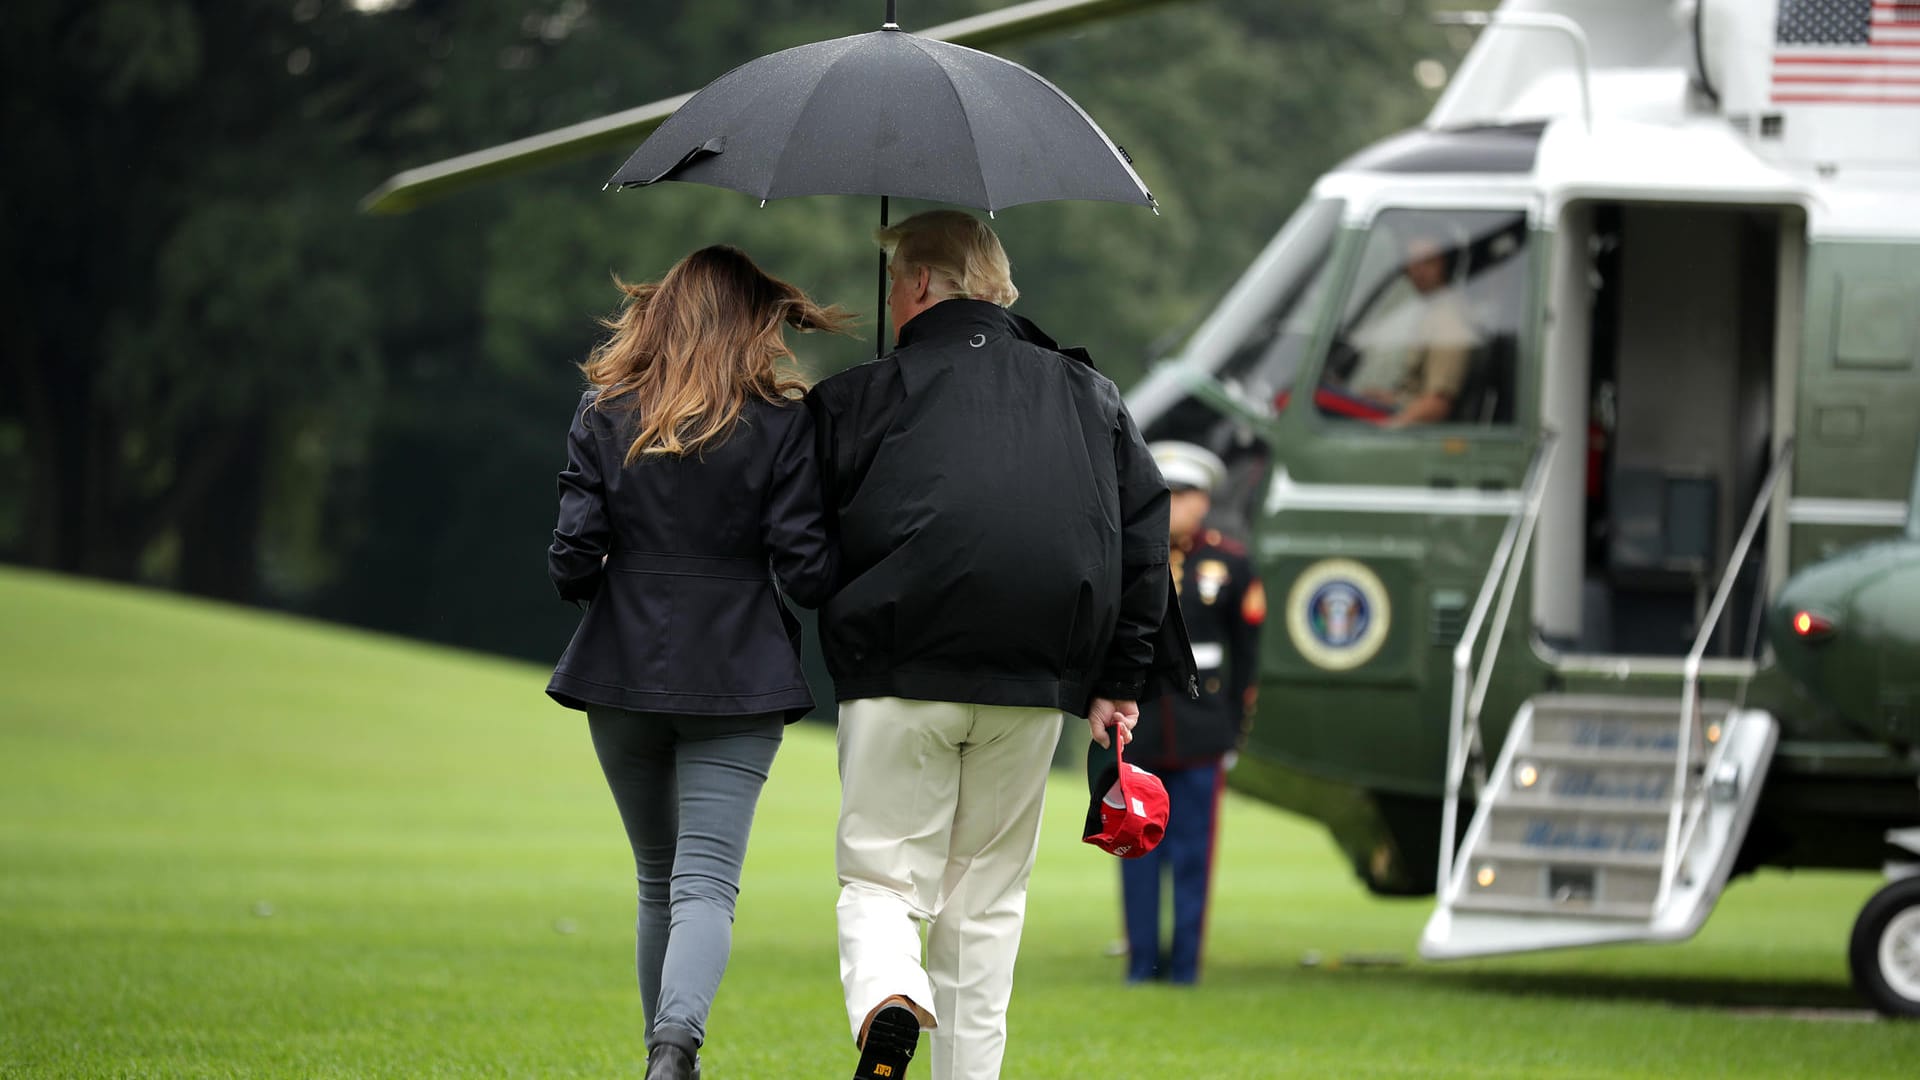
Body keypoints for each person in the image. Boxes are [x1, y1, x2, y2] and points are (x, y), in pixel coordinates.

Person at [806, 210, 1175, 1080]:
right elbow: (1144, 536)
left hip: (898, 672)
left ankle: (889, 994)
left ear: (924, 285)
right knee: (985, 906)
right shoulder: (1092, 395)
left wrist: (842, 603)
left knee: (881, 879)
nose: (893, 299)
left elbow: (802, 531)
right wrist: (1120, 678)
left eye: (897, 281)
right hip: (1034, 689)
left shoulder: (858, 396)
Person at [545, 245, 854, 1080]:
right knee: (706, 883)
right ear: (754, 324)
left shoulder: (603, 411)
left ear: (664, 312)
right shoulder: (786, 422)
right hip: (740, 676)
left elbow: (573, 559)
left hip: (620, 670)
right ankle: (674, 1048)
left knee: (657, 878)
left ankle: (665, 1059)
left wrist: (622, 596)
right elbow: (807, 574)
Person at [1119, 441, 1264, 985]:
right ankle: (1141, 964)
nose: (1181, 504)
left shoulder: (1229, 562)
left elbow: (1246, 657)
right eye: (1171, 492)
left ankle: (1184, 967)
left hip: (1202, 731)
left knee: (1193, 855)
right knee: (1137, 851)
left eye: (1191, 493)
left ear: (1206, 500)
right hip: (1141, 729)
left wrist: (1232, 730)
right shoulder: (1129, 558)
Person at [1344, 232, 1478, 427]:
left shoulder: (1449, 322)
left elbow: (1438, 404)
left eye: (1428, 262)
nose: (1417, 270)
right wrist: (1390, 399)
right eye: (1412, 262)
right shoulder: (1429, 311)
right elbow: (1418, 392)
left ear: (1446, 265)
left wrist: (1385, 429)